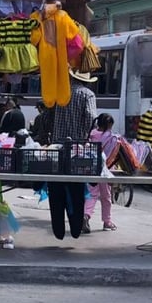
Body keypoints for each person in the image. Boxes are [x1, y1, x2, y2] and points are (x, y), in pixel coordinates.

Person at [47, 69, 97, 240]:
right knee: (76, 189)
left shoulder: (60, 94)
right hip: (77, 149)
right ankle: (75, 229)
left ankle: (58, 231)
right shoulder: (87, 95)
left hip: (56, 147)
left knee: (56, 189)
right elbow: (91, 118)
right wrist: (86, 132)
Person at [84, 113, 117, 233]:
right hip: (106, 170)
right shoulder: (110, 136)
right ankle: (107, 222)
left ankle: (86, 215)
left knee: (91, 195)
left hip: (92, 169)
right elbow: (112, 155)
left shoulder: (92, 134)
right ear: (109, 125)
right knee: (106, 197)